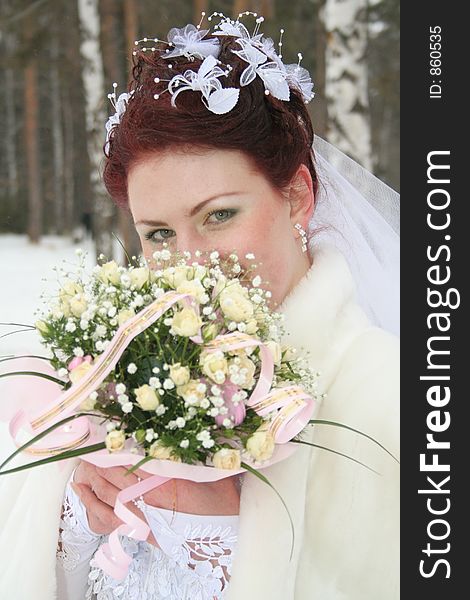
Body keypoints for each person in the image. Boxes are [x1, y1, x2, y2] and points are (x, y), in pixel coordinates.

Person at [0, 12, 399, 600]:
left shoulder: (385, 395)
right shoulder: (110, 373)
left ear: (296, 195)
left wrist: (216, 540)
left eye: (218, 215)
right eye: (158, 234)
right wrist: (80, 517)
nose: (188, 263)